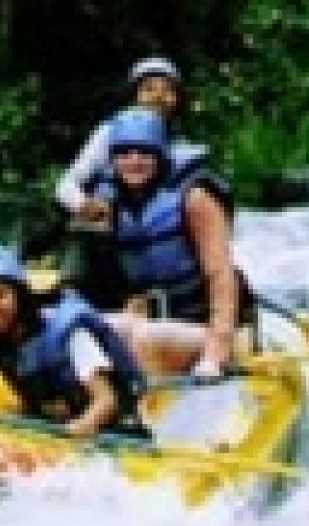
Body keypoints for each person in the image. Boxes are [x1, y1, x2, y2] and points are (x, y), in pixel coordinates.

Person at [97, 106, 256, 378]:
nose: (134, 161)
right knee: (94, 327)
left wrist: (216, 352)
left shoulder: (195, 198)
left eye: (144, 152)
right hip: (163, 324)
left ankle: (148, 412)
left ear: (159, 155)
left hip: (215, 330)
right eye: (124, 153)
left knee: (148, 338)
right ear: (113, 159)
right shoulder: (116, 205)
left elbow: (221, 277)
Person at [0, 244, 149, 439]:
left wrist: (66, 438)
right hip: (64, 433)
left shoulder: (68, 331)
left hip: (118, 437)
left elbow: (107, 401)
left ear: (20, 294)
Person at [55, 56, 207, 225]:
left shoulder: (180, 145)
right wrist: (84, 205)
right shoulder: (110, 132)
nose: (159, 96)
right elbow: (66, 185)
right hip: (112, 226)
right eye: (149, 89)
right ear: (134, 96)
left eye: (168, 91)